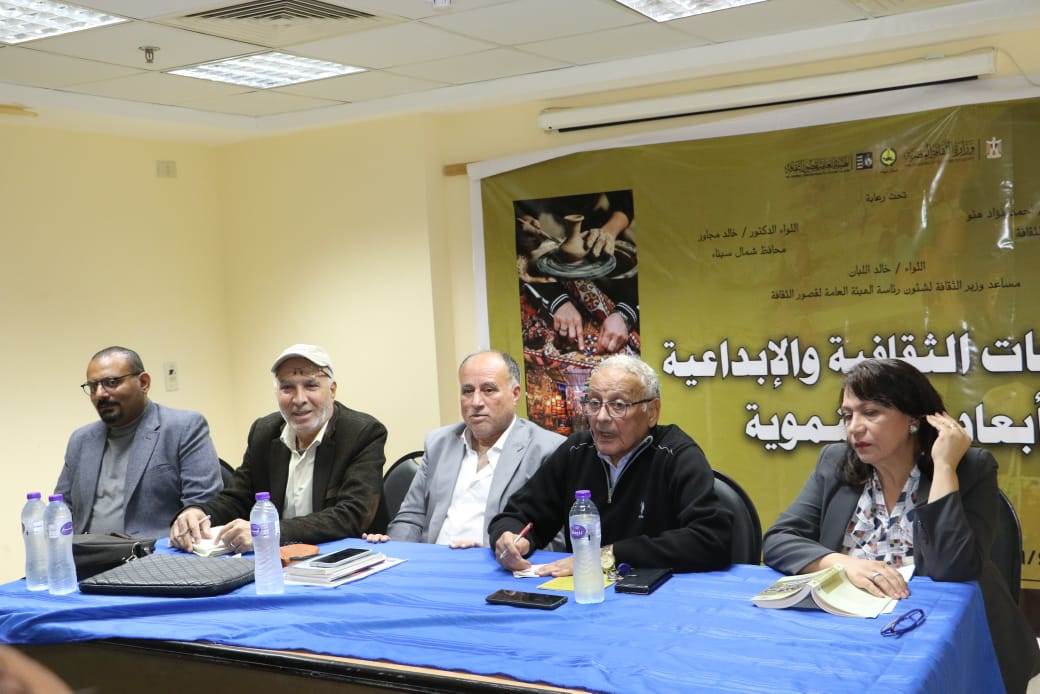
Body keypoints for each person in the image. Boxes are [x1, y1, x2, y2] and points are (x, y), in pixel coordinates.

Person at [762, 359, 1040, 694]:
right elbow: (779, 540)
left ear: (913, 419)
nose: (854, 428)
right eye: (847, 415)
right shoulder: (836, 461)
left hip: (940, 637)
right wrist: (844, 564)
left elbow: (951, 568)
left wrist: (944, 467)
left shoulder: (970, 468)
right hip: (852, 632)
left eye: (871, 413)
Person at [489, 354, 732, 576]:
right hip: (585, 593)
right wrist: (509, 537)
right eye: (594, 403)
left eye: (618, 405)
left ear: (652, 411)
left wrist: (610, 556)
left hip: (658, 594)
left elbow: (711, 539)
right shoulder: (576, 451)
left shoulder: (675, 454)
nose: (601, 417)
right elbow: (517, 516)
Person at [169, 344, 387, 552]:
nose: (299, 399)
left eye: (311, 385)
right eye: (287, 388)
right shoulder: (264, 432)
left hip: (345, 557)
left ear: (332, 390)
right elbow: (238, 499)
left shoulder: (363, 433)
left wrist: (269, 531)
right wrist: (199, 512)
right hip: (278, 560)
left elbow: (351, 516)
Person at [363, 351, 565, 548]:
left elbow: (556, 540)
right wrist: (393, 551)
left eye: (488, 390)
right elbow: (411, 516)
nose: (476, 402)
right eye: (468, 391)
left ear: (515, 394)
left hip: (497, 564)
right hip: (433, 561)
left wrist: (495, 551)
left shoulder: (547, 450)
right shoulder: (438, 443)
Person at [56, 346, 221, 538]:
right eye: (93, 386)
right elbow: (61, 507)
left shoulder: (184, 427)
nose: (100, 393)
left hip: (155, 552)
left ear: (143, 382)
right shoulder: (81, 440)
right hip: (86, 551)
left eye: (111, 382)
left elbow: (203, 503)